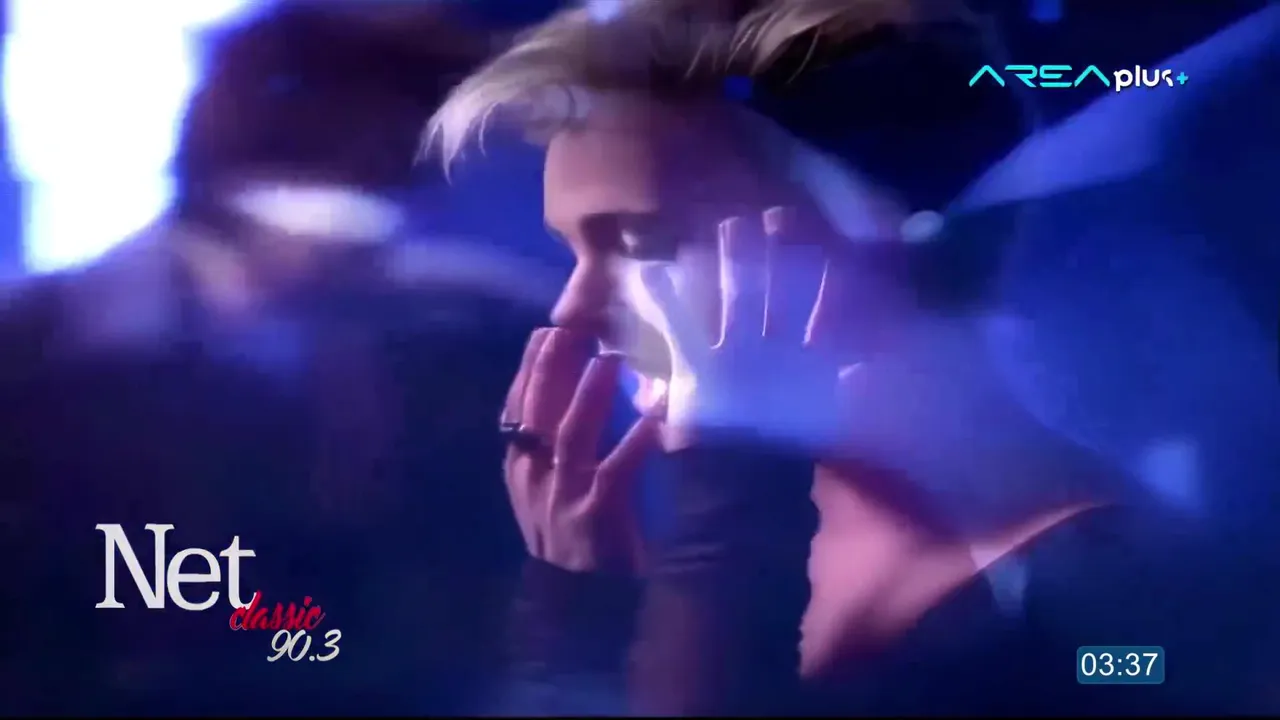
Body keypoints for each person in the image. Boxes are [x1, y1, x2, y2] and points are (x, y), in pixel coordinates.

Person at [426, 0, 1263, 714]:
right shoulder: (714, 548)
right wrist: (588, 620)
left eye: (645, 243)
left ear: (874, 234)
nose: (575, 312)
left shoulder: (1097, 596)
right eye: (574, 251)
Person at [0, 2, 548, 714]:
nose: (313, 268)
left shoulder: (490, 337)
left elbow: (553, 614)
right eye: (282, 228)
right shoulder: (31, 344)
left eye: (356, 239)